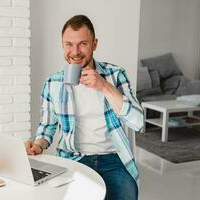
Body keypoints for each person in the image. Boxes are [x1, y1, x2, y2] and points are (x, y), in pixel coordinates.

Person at [25, 14, 144, 200]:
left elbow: (138, 122)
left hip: (113, 158)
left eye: (83, 44)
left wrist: (104, 86)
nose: (75, 52)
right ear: (62, 45)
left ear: (94, 44)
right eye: (69, 44)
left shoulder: (116, 75)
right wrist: (37, 146)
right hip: (73, 159)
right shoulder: (53, 82)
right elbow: (46, 128)